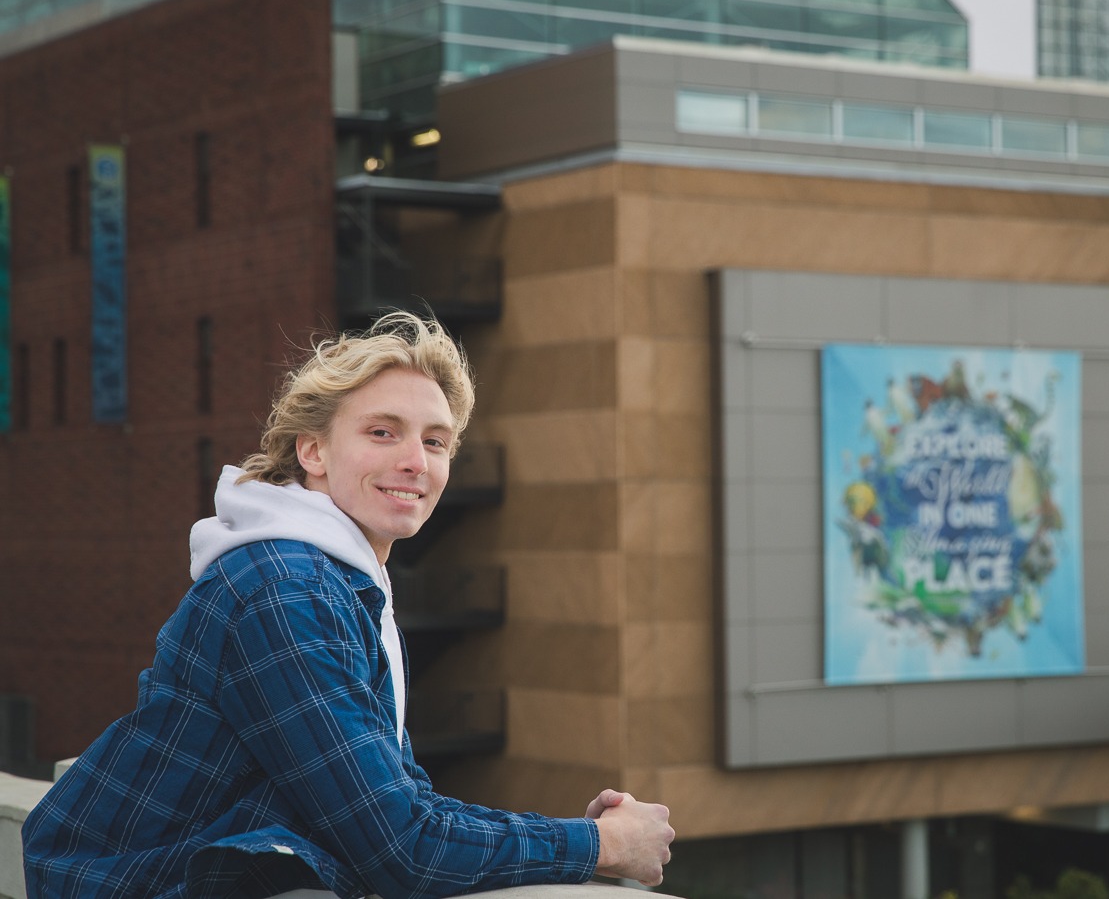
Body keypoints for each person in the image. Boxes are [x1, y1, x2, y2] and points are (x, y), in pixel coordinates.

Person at [22, 311, 673, 898]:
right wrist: (604, 845)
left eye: (436, 440)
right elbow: (403, 850)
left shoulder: (341, 582)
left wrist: (572, 837)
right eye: (383, 432)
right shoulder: (285, 591)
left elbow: (404, 801)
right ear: (313, 451)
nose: (415, 461)